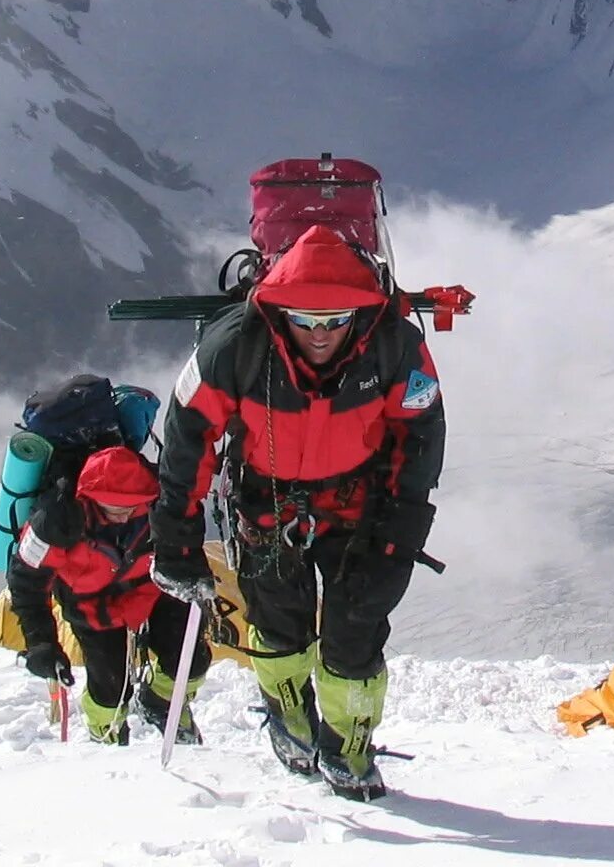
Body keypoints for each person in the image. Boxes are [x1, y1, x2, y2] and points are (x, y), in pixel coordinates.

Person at [150, 224, 445, 800]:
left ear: (359, 313)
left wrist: (405, 525)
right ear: (276, 307)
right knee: (280, 630)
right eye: (304, 320)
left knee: (355, 636)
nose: (320, 333)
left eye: (335, 320)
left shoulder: (395, 346)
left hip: (364, 510)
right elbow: (188, 441)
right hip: (266, 505)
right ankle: (292, 723)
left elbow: (421, 431)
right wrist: (176, 539)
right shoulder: (232, 347)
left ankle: (348, 750)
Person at [8, 444, 212, 743]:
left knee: (191, 659)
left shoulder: (161, 506)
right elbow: (26, 584)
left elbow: (185, 547)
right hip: (92, 607)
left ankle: (164, 700)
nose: (123, 515)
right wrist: (41, 643)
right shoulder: (55, 520)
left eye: (130, 506)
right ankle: (105, 728)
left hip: (151, 590)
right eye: (113, 508)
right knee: (110, 688)